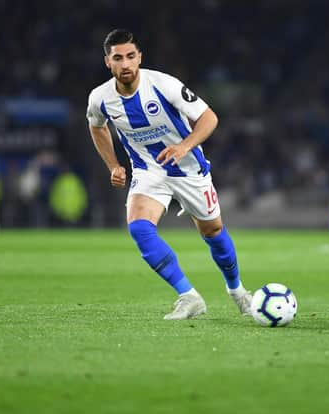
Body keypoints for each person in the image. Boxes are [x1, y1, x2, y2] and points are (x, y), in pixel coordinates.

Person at [86, 29, 252, 319]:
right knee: (139, 228)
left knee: (213, 233)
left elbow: (209, 117)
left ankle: (237, 290)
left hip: (189, 169)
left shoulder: (164, 84)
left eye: (130, 56)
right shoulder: (100, 98)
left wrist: (183, 146)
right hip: (148, 171)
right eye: (118, 58)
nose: (125, 64)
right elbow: (96, 126)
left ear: (139, 57)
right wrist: (113, 164)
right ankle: (189, 296)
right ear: (107, 62)